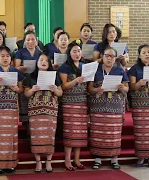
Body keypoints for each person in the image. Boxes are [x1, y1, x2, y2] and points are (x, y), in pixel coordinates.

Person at [0, 46, 24, 175]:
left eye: (7, 56)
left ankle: (10, 164)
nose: (5, 58)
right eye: (2, 56)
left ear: (11, 58)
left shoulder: (16, 72)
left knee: (10, 136)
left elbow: (21, 90)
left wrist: (16, 89)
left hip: (11, 108)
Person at [88, 47, 129, 170]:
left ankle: (114, 159)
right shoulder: (96, 70)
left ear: (115, 58)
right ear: (102, 56)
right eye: (107, 55)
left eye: (112, 56)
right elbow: (89, 88)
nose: (109, 58)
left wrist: (122, 87)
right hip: (98, 107)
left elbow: (127, 88)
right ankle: (97, 158)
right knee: (97, 132)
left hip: (115, 107)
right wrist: (96, 90)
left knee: (114, 133)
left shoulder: (120, 70)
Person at [24, 53, 63, 173]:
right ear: (37, 62)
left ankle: (49, 161)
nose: (44, 62)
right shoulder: (30, 77)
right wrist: (32, 90)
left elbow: (60, 93)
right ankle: (38, 161)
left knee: (50, 134)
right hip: (35, 111)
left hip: (50, 110)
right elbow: (26, 94)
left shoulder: (55, 76)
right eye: (41, 60)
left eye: (46, 60)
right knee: (36, 135)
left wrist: (55, 89)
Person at [58, 42, 88, 171]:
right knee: (70, 132)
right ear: (69, 53)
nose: (77, 53)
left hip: (82, 102)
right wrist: (76, 80)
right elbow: (64, 86)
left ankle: (77, 159)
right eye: (74, 51)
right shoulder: (64, 67)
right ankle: (67, 160)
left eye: (79, 51)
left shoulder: (84, 66)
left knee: (80, 132)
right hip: (69, 103)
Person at [14, 31, 42, 125]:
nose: (30, 42)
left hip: (36, 80)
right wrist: (21, 68)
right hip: (24, 79)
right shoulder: (20, 52)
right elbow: (16, 68)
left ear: (36, 41)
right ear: (25, 41)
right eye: (28, 40)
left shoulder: (40, 53)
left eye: (32, 39)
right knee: (24, 102)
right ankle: (26, 126)